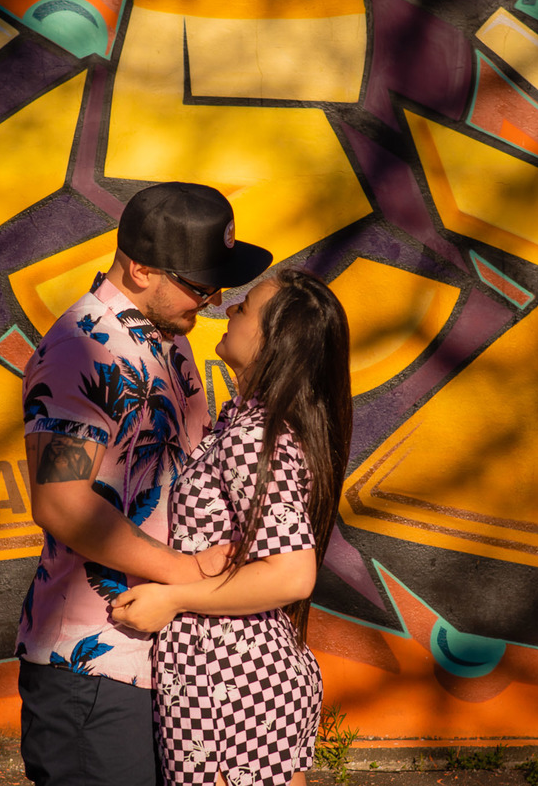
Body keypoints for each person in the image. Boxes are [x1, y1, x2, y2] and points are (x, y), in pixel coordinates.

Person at [16, 181, 273, 786]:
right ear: (140, 269)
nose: (214, 302)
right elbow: (61, 502)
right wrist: (187, 573)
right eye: (199, 285)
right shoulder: (80, 351)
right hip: (92, 662)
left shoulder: (169, 342)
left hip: (159, 652)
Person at [110, 268, 353, 786]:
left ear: (274, 342)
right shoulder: (242, 425)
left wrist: (172, 598)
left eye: (244, 308)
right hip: (224, 676)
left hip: (231, 684)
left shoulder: (255, 438)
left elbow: (291, 575)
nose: (226, 309)